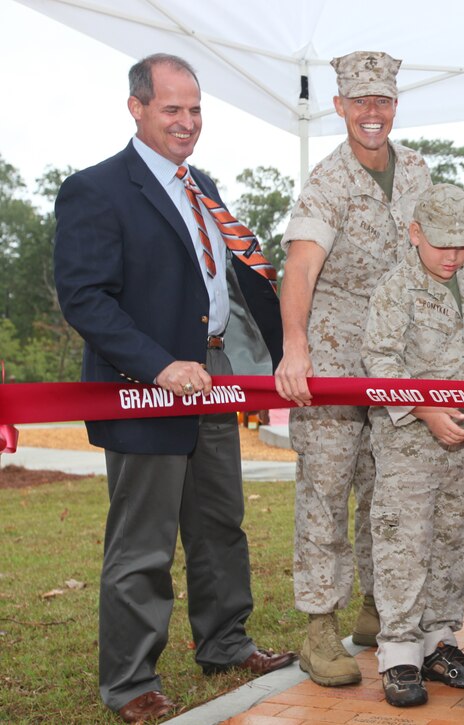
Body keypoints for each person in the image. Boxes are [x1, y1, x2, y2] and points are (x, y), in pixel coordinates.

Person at [53, 53, 295, 723]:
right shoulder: (96, 190)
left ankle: (224, 640)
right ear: (136, 107)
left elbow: (234, 278)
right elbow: (85, 298)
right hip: (148, 384)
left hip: (213, 376)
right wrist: (159, 364)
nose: (187, 122)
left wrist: (282, 350)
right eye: (172, 109)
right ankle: (131, 681)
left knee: (220, 521)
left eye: (195, 110)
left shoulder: (202, 184)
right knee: (144, 542)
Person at [274, 50, 432, 687]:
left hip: (395, 356)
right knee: (326, 489)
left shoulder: (418, 171)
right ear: (338, 106)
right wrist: (294, 348)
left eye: (383, 101)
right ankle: (319, 627)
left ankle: (377, 608)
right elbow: (301, 271)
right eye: (360, 101)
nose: (373, 113)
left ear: (396, 105)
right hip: (335, 358)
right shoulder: (329, 181)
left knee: (387, 487)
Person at [362, 183, 464, 707]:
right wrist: (425, 411)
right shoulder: (396, 288)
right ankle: (399, 654)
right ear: (415, 233)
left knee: (451, 537)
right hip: (408, 445)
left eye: (463, 244)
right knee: (405, 543)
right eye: (443, 244)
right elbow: (380, 362)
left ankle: (438, 640)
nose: (453, 256)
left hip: (459, 443)